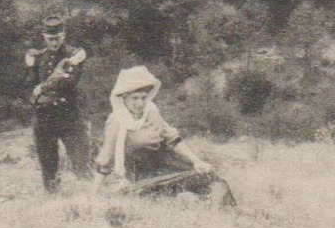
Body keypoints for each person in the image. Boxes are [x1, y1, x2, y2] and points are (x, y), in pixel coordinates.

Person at [93, 66, 232, 203]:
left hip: (169, 164)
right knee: (174, 195)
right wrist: (94, 194)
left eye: (143, 97)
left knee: (212, 179)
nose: (140, 103)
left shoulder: (152, 111)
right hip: (143, 175)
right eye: (134, 98)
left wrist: (196, 161)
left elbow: (173, 139)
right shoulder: (117, 121)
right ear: (124, 98)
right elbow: (106, 158)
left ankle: (221, 213)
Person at [25, 16, 90, 193]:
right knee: (48, 165)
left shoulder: (74, 55)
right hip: (44, 115)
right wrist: (32, 72)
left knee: (81, 160)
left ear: (64, 35)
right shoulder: (37, 57)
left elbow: (69, 81)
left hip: (68, 114)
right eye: (50, 39)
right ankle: (53, 200)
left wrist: (42, 88)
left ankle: (90, 197)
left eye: (58, 38)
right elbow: (30, 85)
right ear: (44, 37)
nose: (54, 42)